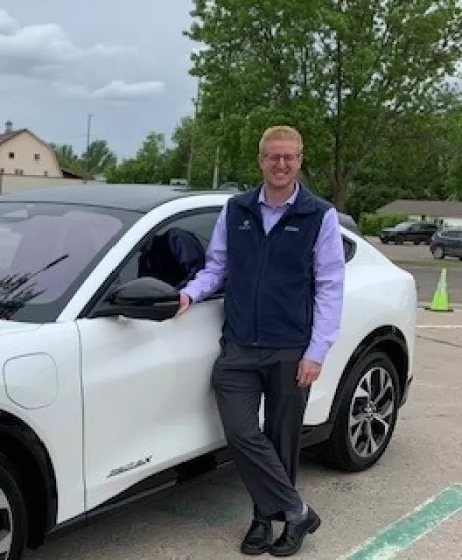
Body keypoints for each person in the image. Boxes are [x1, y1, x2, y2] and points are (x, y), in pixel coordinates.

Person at [177, 125, 345, 557]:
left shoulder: (318, 215)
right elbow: (217, 267)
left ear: (300, 160)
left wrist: (317, 351)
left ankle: (264, 520)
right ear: (260, 161)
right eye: (273, 156)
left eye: (289, 157)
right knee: (241, 432)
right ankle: (296, 512)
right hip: (238, 346)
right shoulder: (236, 210)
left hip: (291, 347)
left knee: (282, 438)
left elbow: (329, 286)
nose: (281, 164)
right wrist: (190, 293)